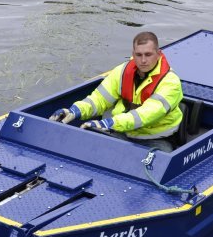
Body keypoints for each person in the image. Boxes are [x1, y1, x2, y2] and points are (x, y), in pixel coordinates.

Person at [49, 31, 183, 152]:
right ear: (133, 54)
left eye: (148, 54)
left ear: (158, 54)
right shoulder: (121, 72)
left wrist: (110, 124)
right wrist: (75, 110)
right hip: (121, 132)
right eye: (139, 55)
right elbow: (99, 99)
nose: (143, 60)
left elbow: (145, 115)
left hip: (155, 139)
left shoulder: (170, 82)